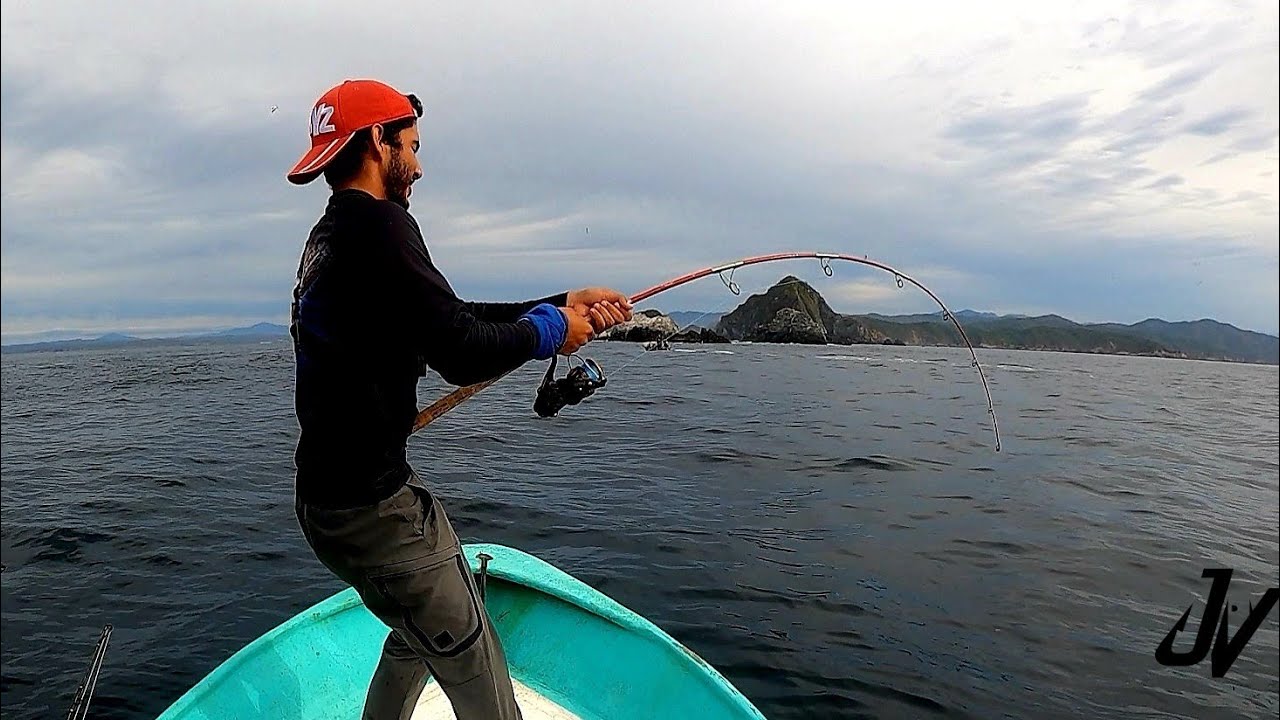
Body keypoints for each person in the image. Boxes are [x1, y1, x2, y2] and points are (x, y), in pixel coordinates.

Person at [284, 78, 632, 720]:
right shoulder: (383, 228)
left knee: (418, 632)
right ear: (374, 142)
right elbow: (459, 350)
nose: (418, 165)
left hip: (326, 502)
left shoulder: (333, 236)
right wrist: (553, 331)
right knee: (480, 673)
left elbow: (446, 316)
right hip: (374, 511)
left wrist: (555, 308)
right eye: (410, 146)